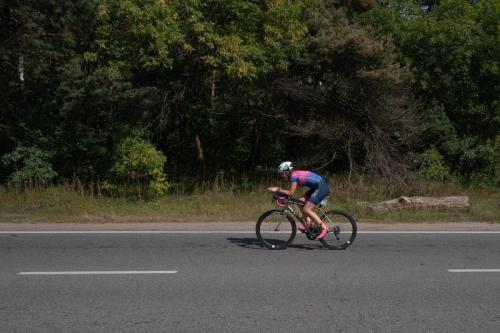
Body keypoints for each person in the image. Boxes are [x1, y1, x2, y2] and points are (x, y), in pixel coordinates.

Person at [267, 161, 330, 240]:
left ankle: (324, 227)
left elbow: (290, 193)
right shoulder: (293, 175)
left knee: (307, 209)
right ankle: (309, 224)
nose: (281, 176)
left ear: (287, 172)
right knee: (300, 201)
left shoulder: (294, 176)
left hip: (321, 187)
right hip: (316, 188)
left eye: (281, 174)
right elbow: (289, 194)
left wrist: (277, 189)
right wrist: (280, 195)